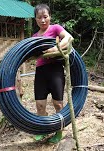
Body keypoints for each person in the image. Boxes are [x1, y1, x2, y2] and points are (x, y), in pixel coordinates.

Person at [32, 4, 73, 143]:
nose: (43, 20)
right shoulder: (34, 36)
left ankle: (58, 132)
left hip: (55, 69)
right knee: (40, 105)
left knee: (58, 104)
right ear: (35, 19)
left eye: (45, 17)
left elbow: (68, 38)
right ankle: (44, 130)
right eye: (39, 18)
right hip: (41, 71)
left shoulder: (55, 28)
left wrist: (54, 48)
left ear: (50, 17)